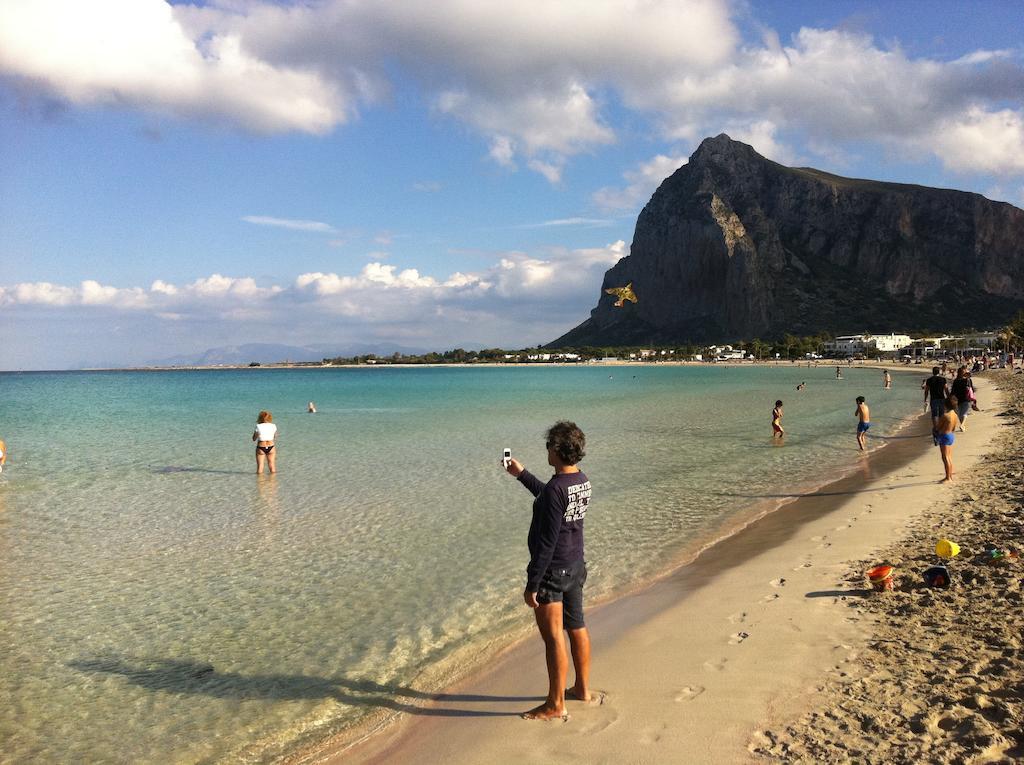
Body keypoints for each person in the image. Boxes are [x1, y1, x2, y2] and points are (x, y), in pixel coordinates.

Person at [504, 421, 592, 721]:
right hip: (576, 566)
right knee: (577, 627)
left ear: (556, 449)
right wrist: (522, 475)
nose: (547, 450)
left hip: (553, 573)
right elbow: (552, 498)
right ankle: (582, 689)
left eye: (549, 445)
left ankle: (555, 704)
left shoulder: (556, 489)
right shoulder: (581, 480)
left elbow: (546, 542)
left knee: (554, 637)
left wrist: (533, 583)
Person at [935, 396, 960, 482]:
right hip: (951, 435)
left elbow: (938, 427)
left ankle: (948, 477)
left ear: (946, 405)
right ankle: (950, 476)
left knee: (945, 458)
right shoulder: (955, 415)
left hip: (944, 436)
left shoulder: (945, 416)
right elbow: (953, 427)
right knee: (949, 457)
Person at [922, 366, 950, 435]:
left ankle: (936, 428)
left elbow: (926, 391)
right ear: (939, 372)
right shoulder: (943, 379)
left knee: (934, 414)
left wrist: (925, 399)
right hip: (941, 398)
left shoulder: (929, 380)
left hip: (933, 399)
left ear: (933, 372)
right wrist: (949, 397)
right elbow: (946, 389)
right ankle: (941, 427)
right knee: (941, 414)